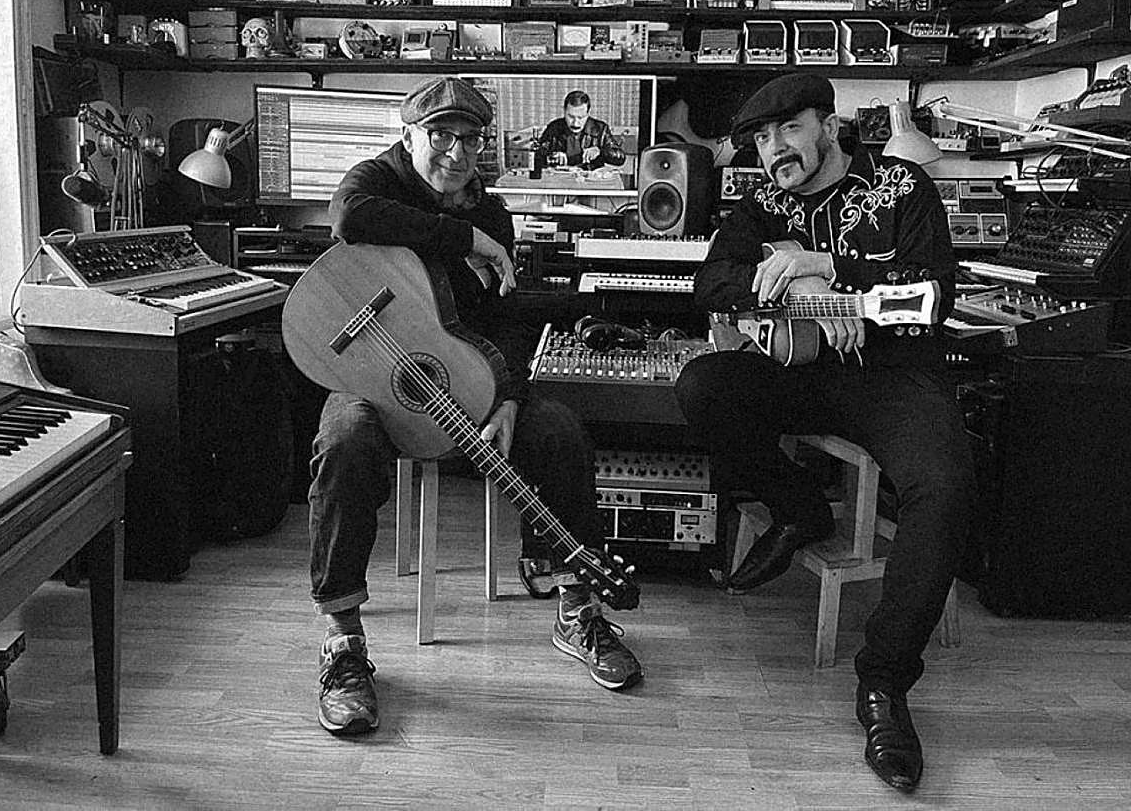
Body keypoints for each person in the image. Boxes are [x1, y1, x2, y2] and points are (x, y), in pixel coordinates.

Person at [311, 76, 643, 736]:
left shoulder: (489, 212)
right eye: (441, 135)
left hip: (459, 380)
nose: (457, 154)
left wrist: (513, 397)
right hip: (376, 382)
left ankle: (576, 604)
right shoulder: (377, 180)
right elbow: (349, 218)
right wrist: (462, 240)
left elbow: (510, 321)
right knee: (344, 438)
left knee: (561, 431)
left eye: (470, 139)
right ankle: (343, 641)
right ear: (408, 135)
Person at [673, 73, 975, 793]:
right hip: (804, 371)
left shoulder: (901, 186)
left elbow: (931, 296)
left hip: (895, 376)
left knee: (948, 485)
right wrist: (795, 293)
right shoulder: (763, 200)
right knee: (703, 388)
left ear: (829, 125)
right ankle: (798, 506)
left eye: (790, 130)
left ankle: (884, 684)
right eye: (762, 139)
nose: (774, 149)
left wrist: (827, 268)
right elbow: (711, 283)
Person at [538, 90, 627, 171]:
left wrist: (600, 151)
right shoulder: (554, 127)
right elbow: (537, 154)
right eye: (571, 117)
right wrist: (552, 156)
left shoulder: (600, 129)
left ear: (588, 113)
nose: (575, 123)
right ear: (564, 111)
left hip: (590, 180)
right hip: (560, 178)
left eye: (581, 117)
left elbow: (620, 158)